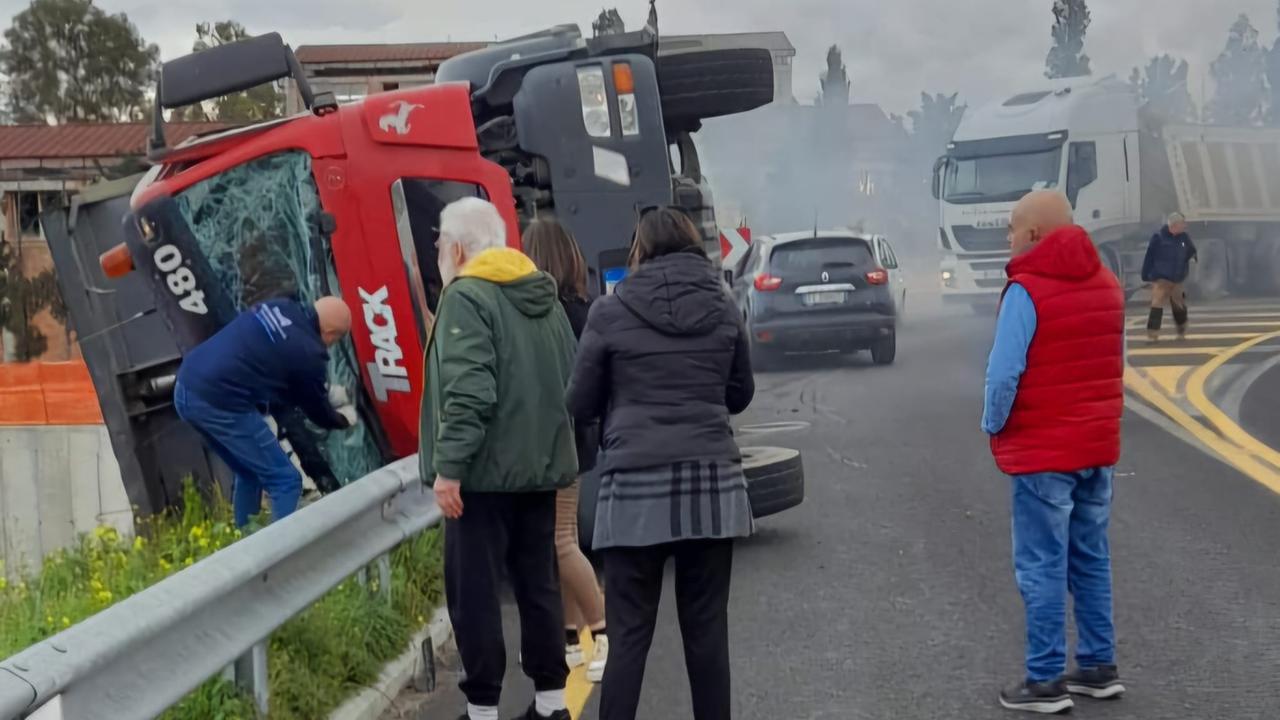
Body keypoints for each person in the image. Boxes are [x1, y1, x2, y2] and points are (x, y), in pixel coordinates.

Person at [567, 207, 755, 720]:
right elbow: (741, 394)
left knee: (629, 637)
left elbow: (578, 404)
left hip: (633, 491)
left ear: (639, 251)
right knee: (707, 634)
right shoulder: (723, 304)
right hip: (713, 486)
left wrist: (615, 416)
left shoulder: (611, 310)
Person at [420, 198, 578, 720]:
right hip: (540, 471)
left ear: (459, 248)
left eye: (441, 243)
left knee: (475, 595)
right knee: (539, 586)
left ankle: (483, 709)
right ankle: (552, 703)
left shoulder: (467, 298)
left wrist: (450, 469)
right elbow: (567, 378)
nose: (439, 251)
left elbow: (470, 392)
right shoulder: (542, 296)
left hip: (483, 478)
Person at [983, 191, 1126, 714]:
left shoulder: (1027, 290)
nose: (1008, 240)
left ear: (1035, 235)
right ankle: (1097, 667)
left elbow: (1003, 373)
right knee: (1090, 557)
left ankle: (1044, 680)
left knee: (1041, 564)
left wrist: (993, 425)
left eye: (1013, 231)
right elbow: (1116, 362)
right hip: (1096, 448)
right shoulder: (1109, 284)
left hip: (1044, 453)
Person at [175, 296, 358, 528]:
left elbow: (278, 372)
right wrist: (344, 419)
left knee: (250, 473)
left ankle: (246, 549)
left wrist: (324, 391)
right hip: (218, 401)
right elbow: (317, 412)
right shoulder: (310, 352)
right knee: (286, 481)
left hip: (186, 386)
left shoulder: (280, 306)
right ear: (331, 334)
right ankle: (280, 559)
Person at [523, 218, 609, 683]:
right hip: (580, 439)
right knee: (565, 539)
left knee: (557, 541)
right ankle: (573, 638)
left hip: (556, 440)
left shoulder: (546, 314)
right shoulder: (584, 309)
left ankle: (603, 627)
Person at [1141, 211, 1197, 342]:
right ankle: (1152, 334)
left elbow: (1191, 251)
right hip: (1161, 278)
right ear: (1175, 225)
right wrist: (1146, 275)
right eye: (1183, 223)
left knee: (1179, 305)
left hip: (1177, 279)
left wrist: (1191, 262)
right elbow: (1149, 257)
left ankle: (1181, 330)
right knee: (1156, 304)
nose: (1185, 226)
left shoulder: (1184, 238)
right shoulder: (1158, 238)